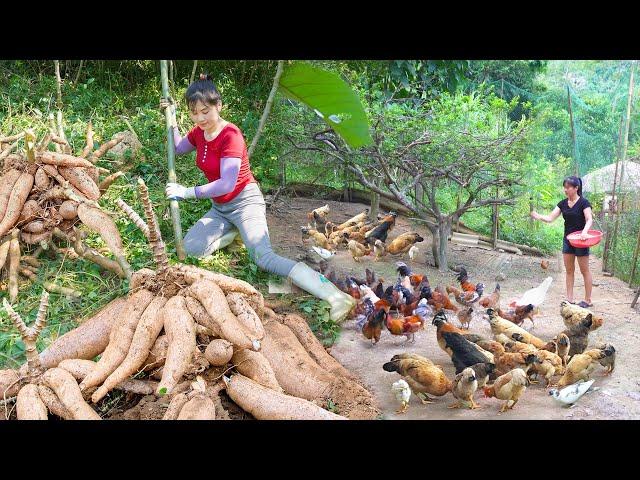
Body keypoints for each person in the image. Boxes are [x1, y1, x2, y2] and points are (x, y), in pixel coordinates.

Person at [160, 74, 355, 321]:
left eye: (205, 111)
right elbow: (178, 148)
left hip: (245, 202)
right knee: (191, 249)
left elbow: (227, 183)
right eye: (194, 112)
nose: (200, 118)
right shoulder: (199, 133)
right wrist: (173, 117)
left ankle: (336, 296)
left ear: (218, 106)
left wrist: (187, 192)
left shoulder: (231, 135)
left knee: (264, 258)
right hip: (220, 208)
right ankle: (234, 234)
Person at [531, 176, 594, 307]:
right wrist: (538, 216)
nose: (565, 190)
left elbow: (589, 219)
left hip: (582, 241)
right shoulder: (562, 203)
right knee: (569, 270)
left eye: (568, 187)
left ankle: (588, 300)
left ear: (576, 188)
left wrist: (584, 232)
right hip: (568, 240)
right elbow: (550, 218)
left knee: (584, 270)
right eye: (564, 187)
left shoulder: (584, 203)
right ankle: (569, 299)